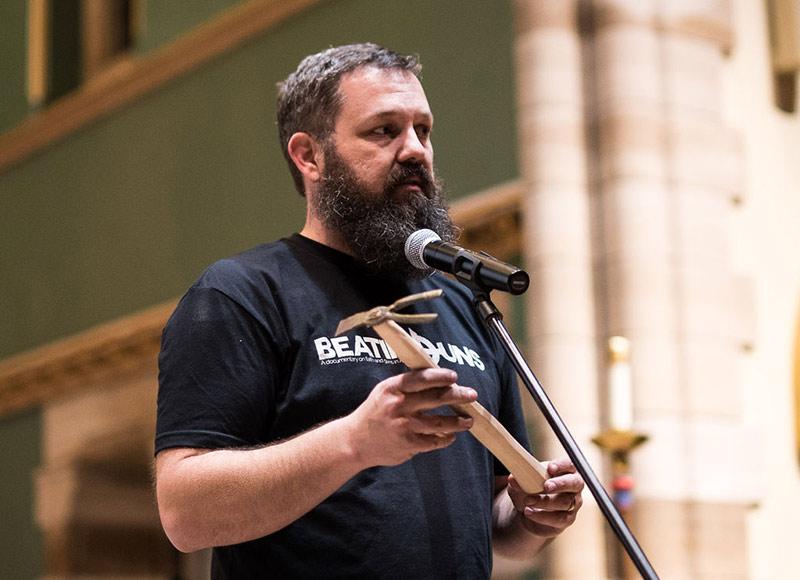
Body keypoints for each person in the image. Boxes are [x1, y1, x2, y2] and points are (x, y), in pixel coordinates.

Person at [155, 43, 583, 578]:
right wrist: (355, 441)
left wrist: (530, 517)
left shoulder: (464, 303)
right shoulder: (242, 293)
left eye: (423, 131)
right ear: (309, 156)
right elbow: (185, 514)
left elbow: (500, 526)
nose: (416, 151)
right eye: (384, 131)